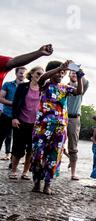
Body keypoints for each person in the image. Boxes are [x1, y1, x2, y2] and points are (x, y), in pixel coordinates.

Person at [31, 60, 84, 195]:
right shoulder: (45, 85)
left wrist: (79, 75)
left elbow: (79, 91)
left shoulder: (64, 87)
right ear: (51, 71)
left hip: (60, 127)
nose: (61, 74)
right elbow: (42, 77)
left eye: (63, 72)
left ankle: (47, 184)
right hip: (42, 127)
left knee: (55, 156)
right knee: (38, 154)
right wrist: (60, 67)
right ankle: (37, 181)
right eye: (59, 72)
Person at [9, 66, 44, 180]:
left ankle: (25, 172)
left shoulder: (43, 89)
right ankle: (14, 171)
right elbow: (15, 103)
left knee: (31, 149)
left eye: (42, 75)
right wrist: (14, 118)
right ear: (32, 74)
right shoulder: (23, 86)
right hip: (21, 121)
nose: (40, 76)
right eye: (38, 73)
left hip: (36, 124)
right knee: (18, 148)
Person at [66, 70, 89, 180]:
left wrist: (77, 70)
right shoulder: (64, 86)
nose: (74, 74)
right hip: (62, 117)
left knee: (73, 147)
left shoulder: (81, 87)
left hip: (74, 119)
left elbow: (84, 80)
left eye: (76, 73)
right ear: (68, 74)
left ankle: (73, 173)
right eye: (72, 72)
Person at [0, 67, 27, 162]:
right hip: (7, 115)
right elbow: (1, 98)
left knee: (17, 142)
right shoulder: (8, 84)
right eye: (20, 73)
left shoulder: (26, 87)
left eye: (24, 73)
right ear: (16, 73)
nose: (22, 75)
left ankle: (13, 163)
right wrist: (14, 104)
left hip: (20, 117)